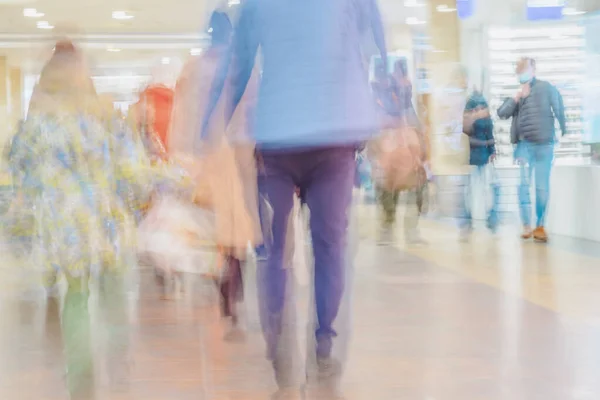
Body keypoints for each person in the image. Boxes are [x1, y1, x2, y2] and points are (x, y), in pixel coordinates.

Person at [202, 0, 387, 398]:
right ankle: (323, 347)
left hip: (279, 135)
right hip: (334, 136)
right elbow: (373, 40)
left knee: (275, 254)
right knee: (330, 248)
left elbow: (238, 63)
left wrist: (208, 124)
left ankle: (282, 361)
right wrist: (396, 112)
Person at [8, 40, 151, 399]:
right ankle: (118, 362)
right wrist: (141, 195)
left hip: (64, 225)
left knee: (75, 296)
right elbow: (132, 170)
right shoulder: (103, 114)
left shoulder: (39, 122)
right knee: (114, 289)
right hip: (105, 222)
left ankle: (81, 379)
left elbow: (21, 167)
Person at [169, 11, 261, 339]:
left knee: (213, 231)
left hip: (208, 159)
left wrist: (182, 155)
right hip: (238, 158)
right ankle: (232, 299)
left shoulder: (195, 68)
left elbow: (185, 116)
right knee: (237, 234)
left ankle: (225, 293)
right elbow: (253, 112)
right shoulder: (244, 67)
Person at [497, 57, 566, 242]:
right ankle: (527, 225)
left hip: (544, 144)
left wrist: (563, 127)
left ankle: (540, 225)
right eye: (519, 71)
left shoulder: (546, 87)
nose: (522, 74)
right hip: (524, 146)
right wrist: (517, 97)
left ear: (533, 69)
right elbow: (502, 113)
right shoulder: (517, 94)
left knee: (542, 187)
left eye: (524, 69)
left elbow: (559, 107)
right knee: (524, 187)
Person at [461, 90, 499, 238]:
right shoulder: (478, 110)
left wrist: (492, 149)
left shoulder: (473, 108)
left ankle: (473, 221)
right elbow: (488, 133)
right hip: (478, 155)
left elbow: (486, 132)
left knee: (475, 190)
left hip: (477, 156)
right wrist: (491, 148)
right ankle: (484, 219)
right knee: (479, 189)